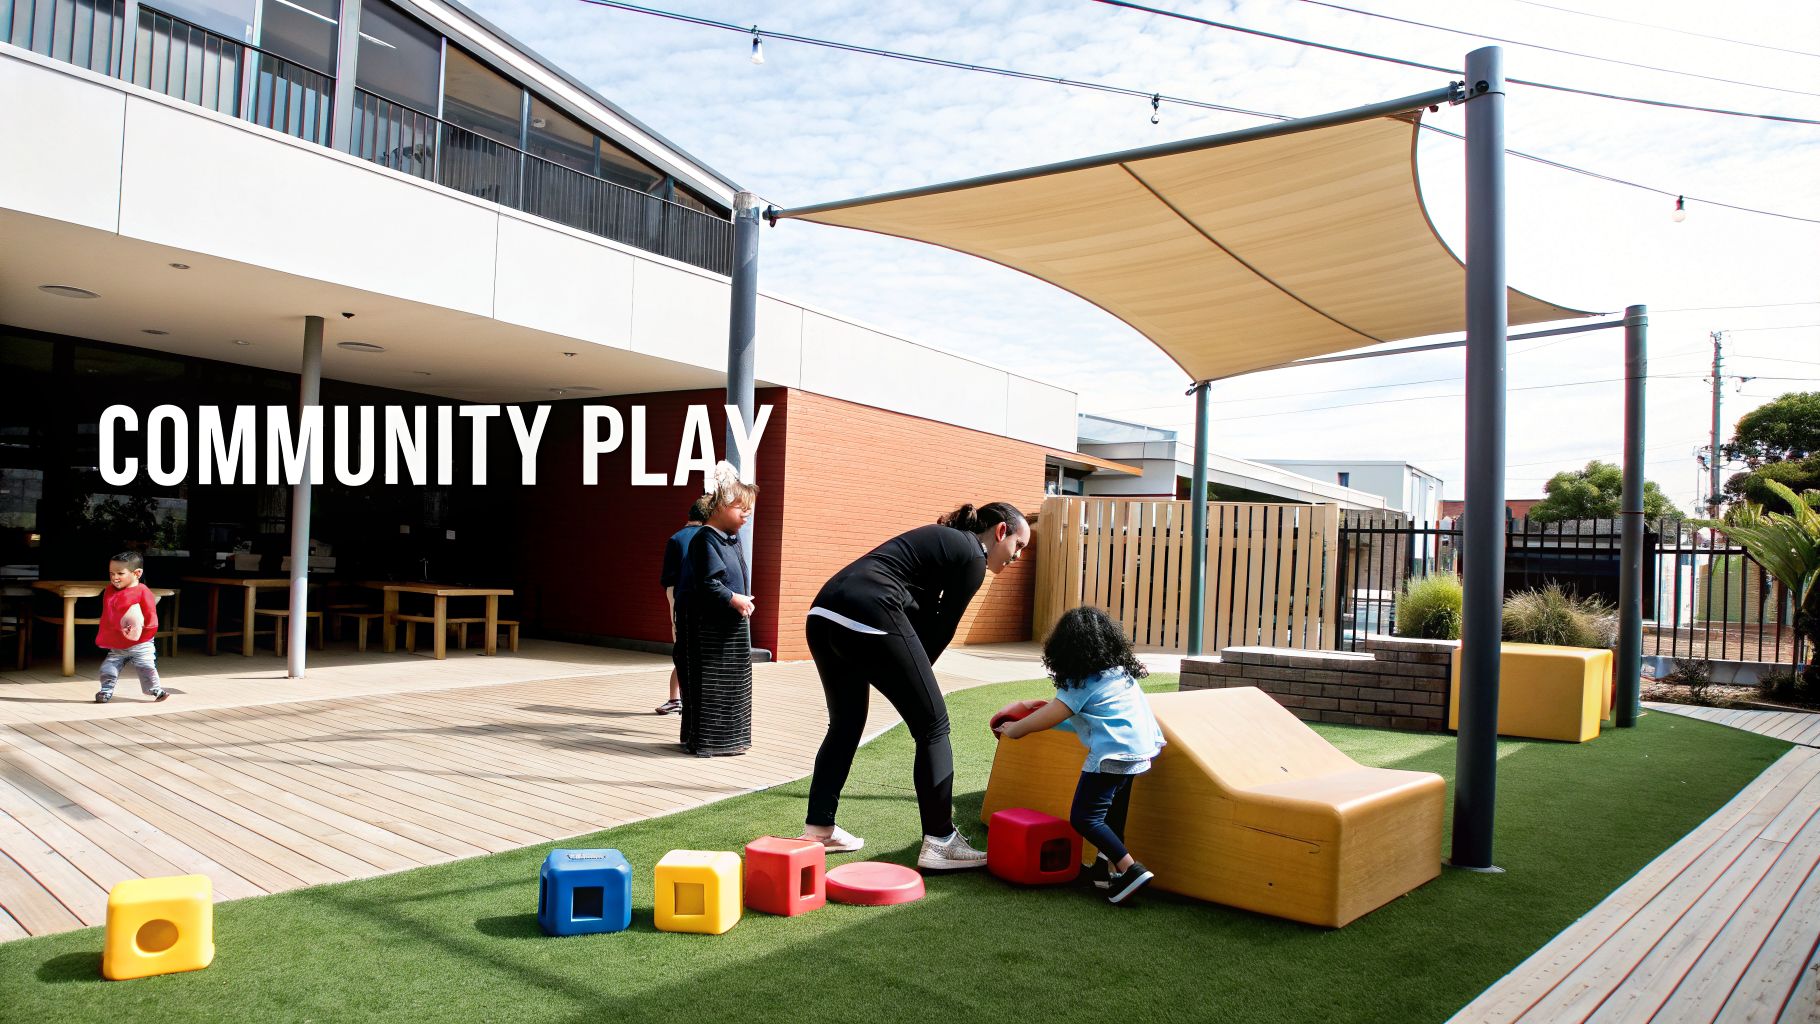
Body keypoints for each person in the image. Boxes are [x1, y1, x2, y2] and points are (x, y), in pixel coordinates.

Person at [799, 501, 1031, 871]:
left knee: (845, 725)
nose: (1017, 557)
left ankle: (819, 830)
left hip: (823, 614)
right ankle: (941, 840)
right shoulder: (973, 554)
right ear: (1001, 532)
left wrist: (907, 670)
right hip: (867, 609)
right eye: (1018, 546)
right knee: (933, 725)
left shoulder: (945, 546)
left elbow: (918, 615)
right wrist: (917, 682)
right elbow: (940, 629)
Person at [995, 605, 1164, 905]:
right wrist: (1043, 707)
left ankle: (1130, 869)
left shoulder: (1081, 682)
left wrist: (1015, 730)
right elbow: (1075, 714)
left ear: (1067, 649)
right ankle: (1102, 873)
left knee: (1085, 817)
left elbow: (1050, 717)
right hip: (1141, 751)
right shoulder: (1118, 673)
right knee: (1112, 817)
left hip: (1112, 754)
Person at [677, 463, 758, 757]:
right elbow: (709, 582)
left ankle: (730, 739)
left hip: (731, 623)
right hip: (708, 626)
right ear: (721, 507)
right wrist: (733, 598)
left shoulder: (730, 539)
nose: (746, 514)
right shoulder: (705, 539)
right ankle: (706, 741)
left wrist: (739, 601)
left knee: (735, 684)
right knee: (709, 683)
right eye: (740, 507)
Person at [657, 493, 712, 716]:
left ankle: (675, 698)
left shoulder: (677, 539)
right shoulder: (712, 537)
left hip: (680, 596)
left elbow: (668, 578)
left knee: (682, 647)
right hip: (705, 599)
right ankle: (685, 699)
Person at [95, 551, 169, 704]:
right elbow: (108, 614)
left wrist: (141, 629)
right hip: (118, 643)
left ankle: (155, 689)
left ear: (137, 573)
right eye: (111, 573)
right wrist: (118, 626)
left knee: (146, 667)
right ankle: (105, 691)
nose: (115, 577)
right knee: (108, 668)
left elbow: (151, 615)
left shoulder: (143, 591)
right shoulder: (109, 591)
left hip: (142, 643)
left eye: (120, 573)